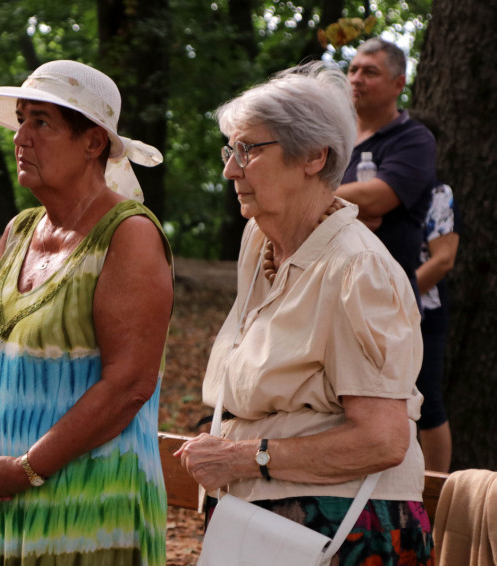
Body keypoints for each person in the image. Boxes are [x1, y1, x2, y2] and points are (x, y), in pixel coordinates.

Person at [176, 61, 434, 563]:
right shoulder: (260, 241)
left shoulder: (357, 269)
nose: (230, 170)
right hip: (261, 521)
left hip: (344, 530)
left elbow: (382, 440)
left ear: (315, 156)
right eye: (230, 150)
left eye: (249, 150)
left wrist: (243, 457)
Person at [0, 60, 173, 566]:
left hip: (89, 516)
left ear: (93, 143)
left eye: (41, 122)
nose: (20, 138)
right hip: (2, 509)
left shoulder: (129, 235)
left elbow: (129, 385)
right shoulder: (19, 231)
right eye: (20, 120)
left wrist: (27, 469)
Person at [337, 38, 437, 304]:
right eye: (353, 70)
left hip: (384, 298)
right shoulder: (332, 138)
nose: (356, 79)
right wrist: (348, 207)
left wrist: (312, 199)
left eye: (370, 72)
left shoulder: (415, 139)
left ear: (399, 84)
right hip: (327, 289)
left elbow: (375, 199)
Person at [415, 182, 458, 473]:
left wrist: (395, 293)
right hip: (367, 309)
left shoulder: (438, 193)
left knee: (427, 404)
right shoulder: (363, 180)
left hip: (424, 313)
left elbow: (443, 259)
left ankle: (434, 489)